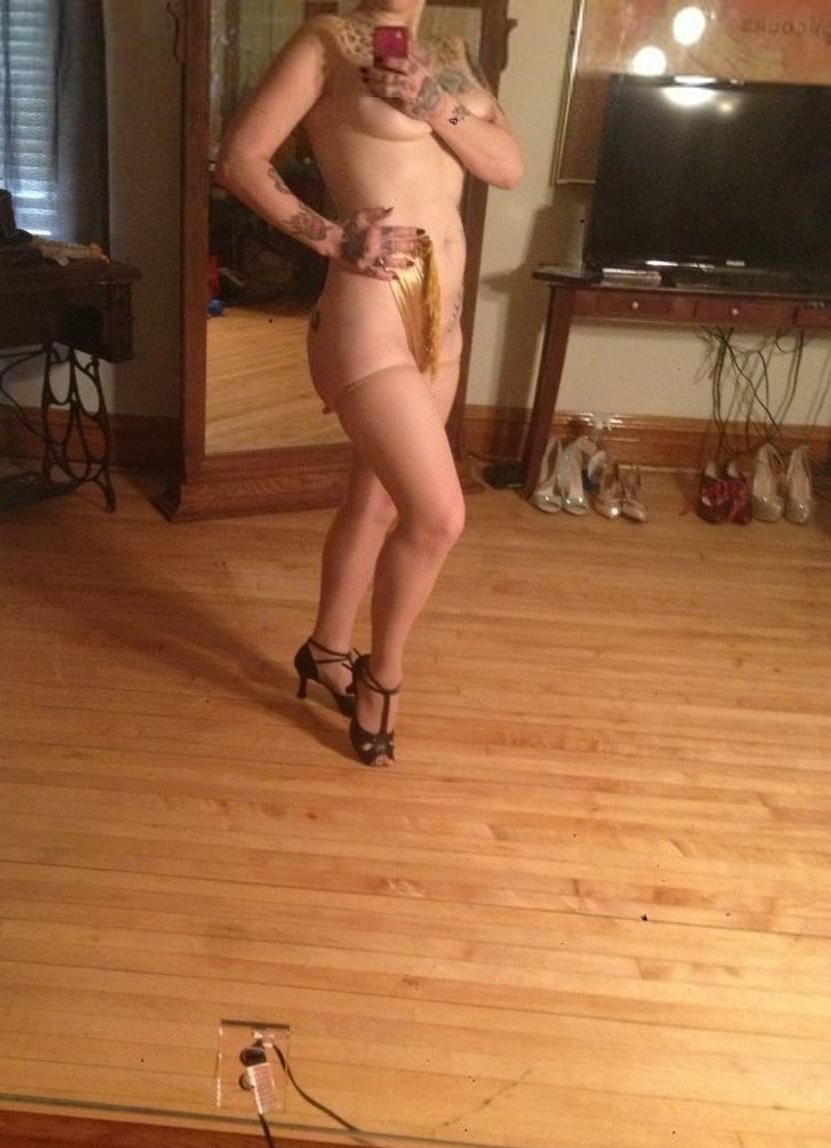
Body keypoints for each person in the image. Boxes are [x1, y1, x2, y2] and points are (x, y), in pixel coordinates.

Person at [214, 0, 523, 765]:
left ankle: (326, 648)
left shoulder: (452, 54)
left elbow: (507, 165)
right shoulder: (326, 42)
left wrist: (435, 104)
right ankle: (383, 679)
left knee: (378, 500)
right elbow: (240, 159)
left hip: (442, 326)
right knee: (439, 515)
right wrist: (330, 236)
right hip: (368, 315)